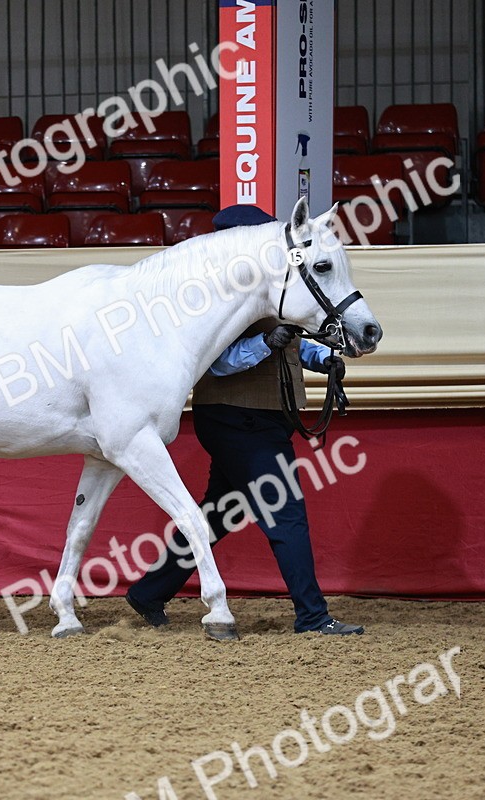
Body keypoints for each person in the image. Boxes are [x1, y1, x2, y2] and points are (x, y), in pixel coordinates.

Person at [124, 204, 364, 636]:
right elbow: (217, 365)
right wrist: (266, 344)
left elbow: (292, 347)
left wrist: (323, 358)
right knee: (285, 511)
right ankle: (312, 615)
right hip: (235, 418)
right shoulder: (212, 303)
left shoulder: (269, 295)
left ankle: (149, 591)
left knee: (219, 512)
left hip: (266, 418)